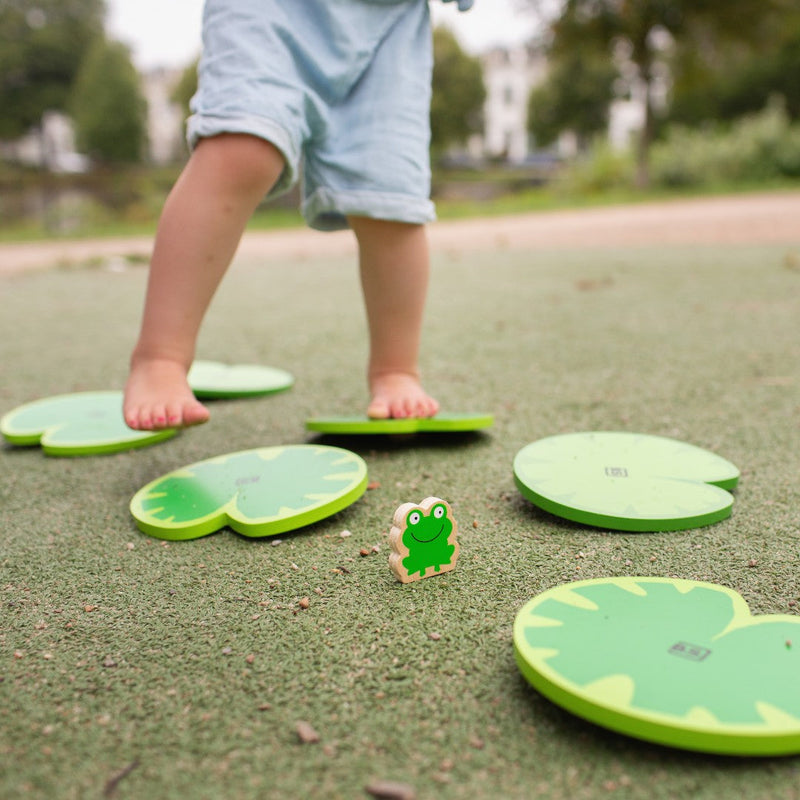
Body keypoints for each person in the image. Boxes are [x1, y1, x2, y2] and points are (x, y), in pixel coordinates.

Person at [123, 0, 474, 431]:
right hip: (272, 12)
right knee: (241, 150)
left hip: (390, 28)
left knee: (391, 198)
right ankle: (160, 358)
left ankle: (395, 370)